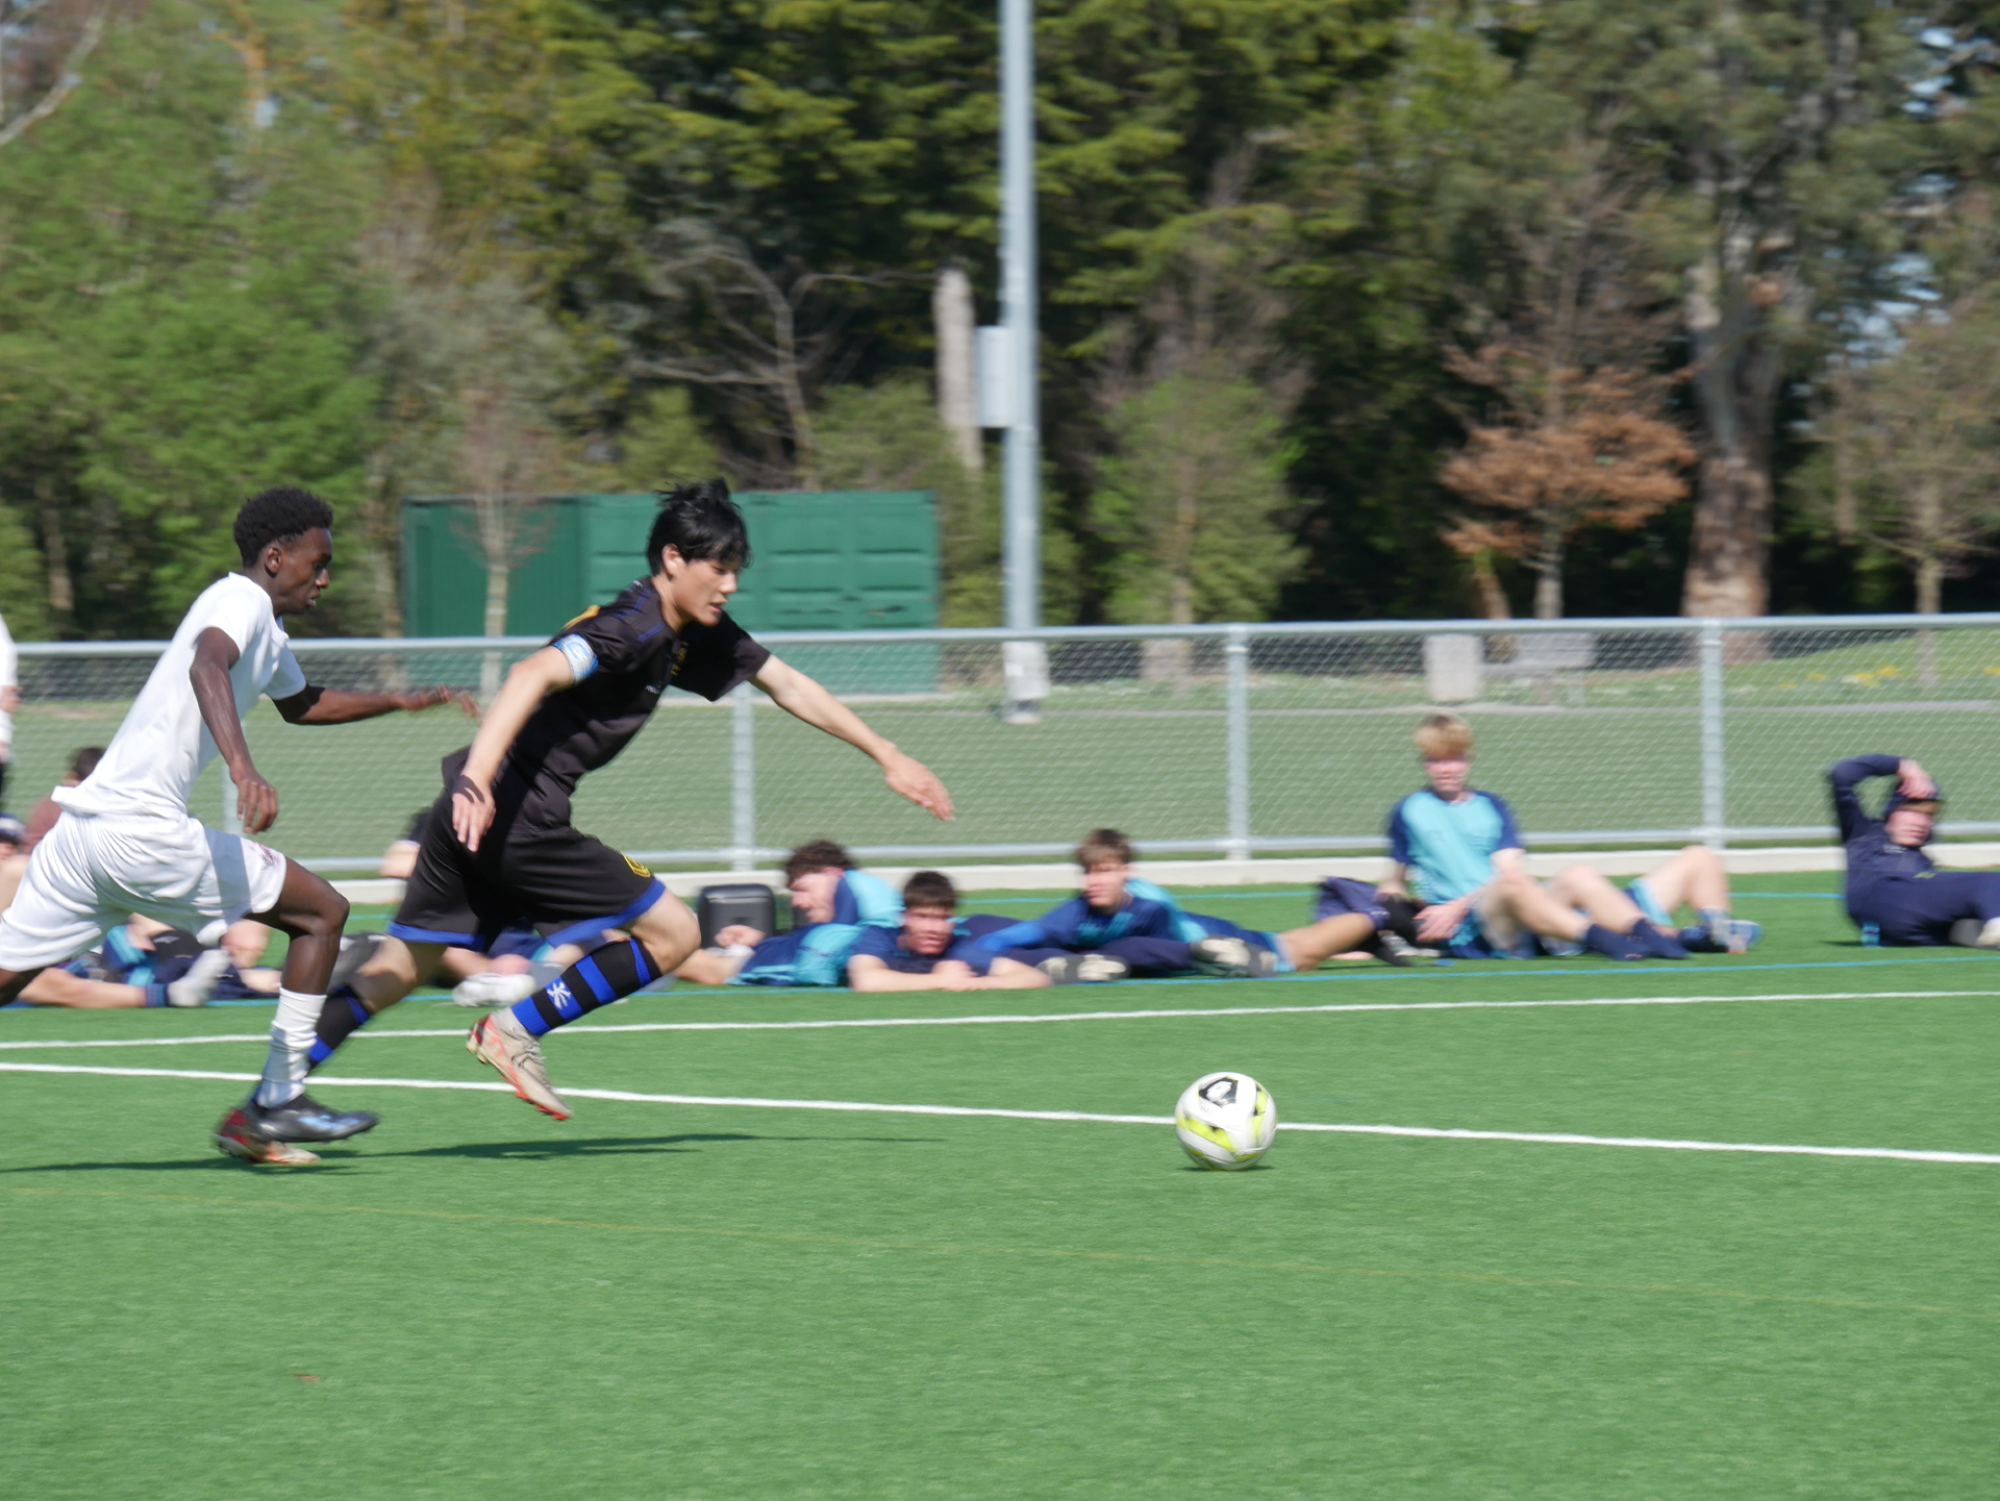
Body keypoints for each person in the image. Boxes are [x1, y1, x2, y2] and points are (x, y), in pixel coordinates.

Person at [298, 480, 954, 1127]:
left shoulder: (690, 630)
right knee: (676, 933)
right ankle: (513, 1029)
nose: (730, 585)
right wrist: (479, 776)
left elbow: (785, 682)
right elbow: (530, 673)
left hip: (467, 814)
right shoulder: (631, 627)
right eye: (719, 569)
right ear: (673, 559)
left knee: (397, 970)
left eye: (735, 571)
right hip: (517, 816)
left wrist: (887, 753)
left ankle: (270, 1099)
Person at [0, 487, 470, 1163]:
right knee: (322, 913)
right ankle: (275, 1104)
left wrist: (400, 699)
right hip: (139, 832)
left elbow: (303, 703)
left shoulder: (264, 627)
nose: (324, 577)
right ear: (274, 557)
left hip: (83, 835)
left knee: (8, 972)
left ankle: (269, 1110)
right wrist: (243, 767)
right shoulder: (239, 600)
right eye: (317, 562)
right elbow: (207, 663)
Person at [1379, 713, 1759, 961]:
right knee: (1515, 884)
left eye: (1454, 758)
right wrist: (1383, 919)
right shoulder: (1408, 811)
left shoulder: (1492, 805)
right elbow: (1395, 880)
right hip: (1483, 927)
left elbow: (1509, 870)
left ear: (1468, 759)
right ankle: (1645, 939)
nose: (1446, 768)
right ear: (1424, 762)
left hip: (1532, 907)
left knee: (1699, 856)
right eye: (1436, 760)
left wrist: (1454, 904)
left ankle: (1714, 929)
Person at [971, 829, 1399, 981]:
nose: (1094, 882)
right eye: (1088, 872)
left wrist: (1225, 957)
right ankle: (1365, 935)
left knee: (1299, 955)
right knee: (1301, 949)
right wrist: (975, 961)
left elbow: (1186, 944)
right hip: (1181, 948)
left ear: (1126, 872)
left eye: (1105, 871)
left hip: (1213, 938)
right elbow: (1013, 936)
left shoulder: (1153, 904)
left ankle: (1381, 915)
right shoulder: (1073, 912)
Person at [675, 840, 903, 987]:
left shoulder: (852, 884)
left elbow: (826, 948)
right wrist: (762, 941)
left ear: (833, 873)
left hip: (787, 959)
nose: (797, 902)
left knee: (706, 967)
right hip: (788, 952)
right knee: (702, 964)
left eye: (803, 889)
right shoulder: (863, 904)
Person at [1829, 754, 2000, 947]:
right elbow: (1841, 774)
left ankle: (1971, 929)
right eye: (1909, 811)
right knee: (1989, 883)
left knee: (1972, 913)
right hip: (1884, 894)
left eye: (1928, 815)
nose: (1919, 822)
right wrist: (1903, 766)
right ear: (1890, 812)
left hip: (1898, 931)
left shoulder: (1922, 861)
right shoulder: (1863, 833)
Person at [845, 870, 1051, 992]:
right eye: (922, 917)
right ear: (904, 917)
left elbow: (1035, 978)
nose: (933, 929)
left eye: (943, 918)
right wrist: (940, 980)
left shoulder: (956, 950)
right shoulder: (879, 937)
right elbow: (866, 981)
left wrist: (978, 983)